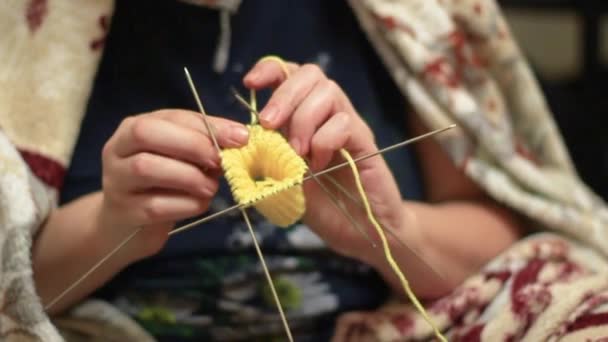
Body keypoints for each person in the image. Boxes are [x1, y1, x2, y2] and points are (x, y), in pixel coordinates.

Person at [29, 1, 524, 341]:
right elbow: (15, 292)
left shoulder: (409, 18)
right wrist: (109, 228)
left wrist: (391, 231)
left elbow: (507, 252)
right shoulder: (26, 38)